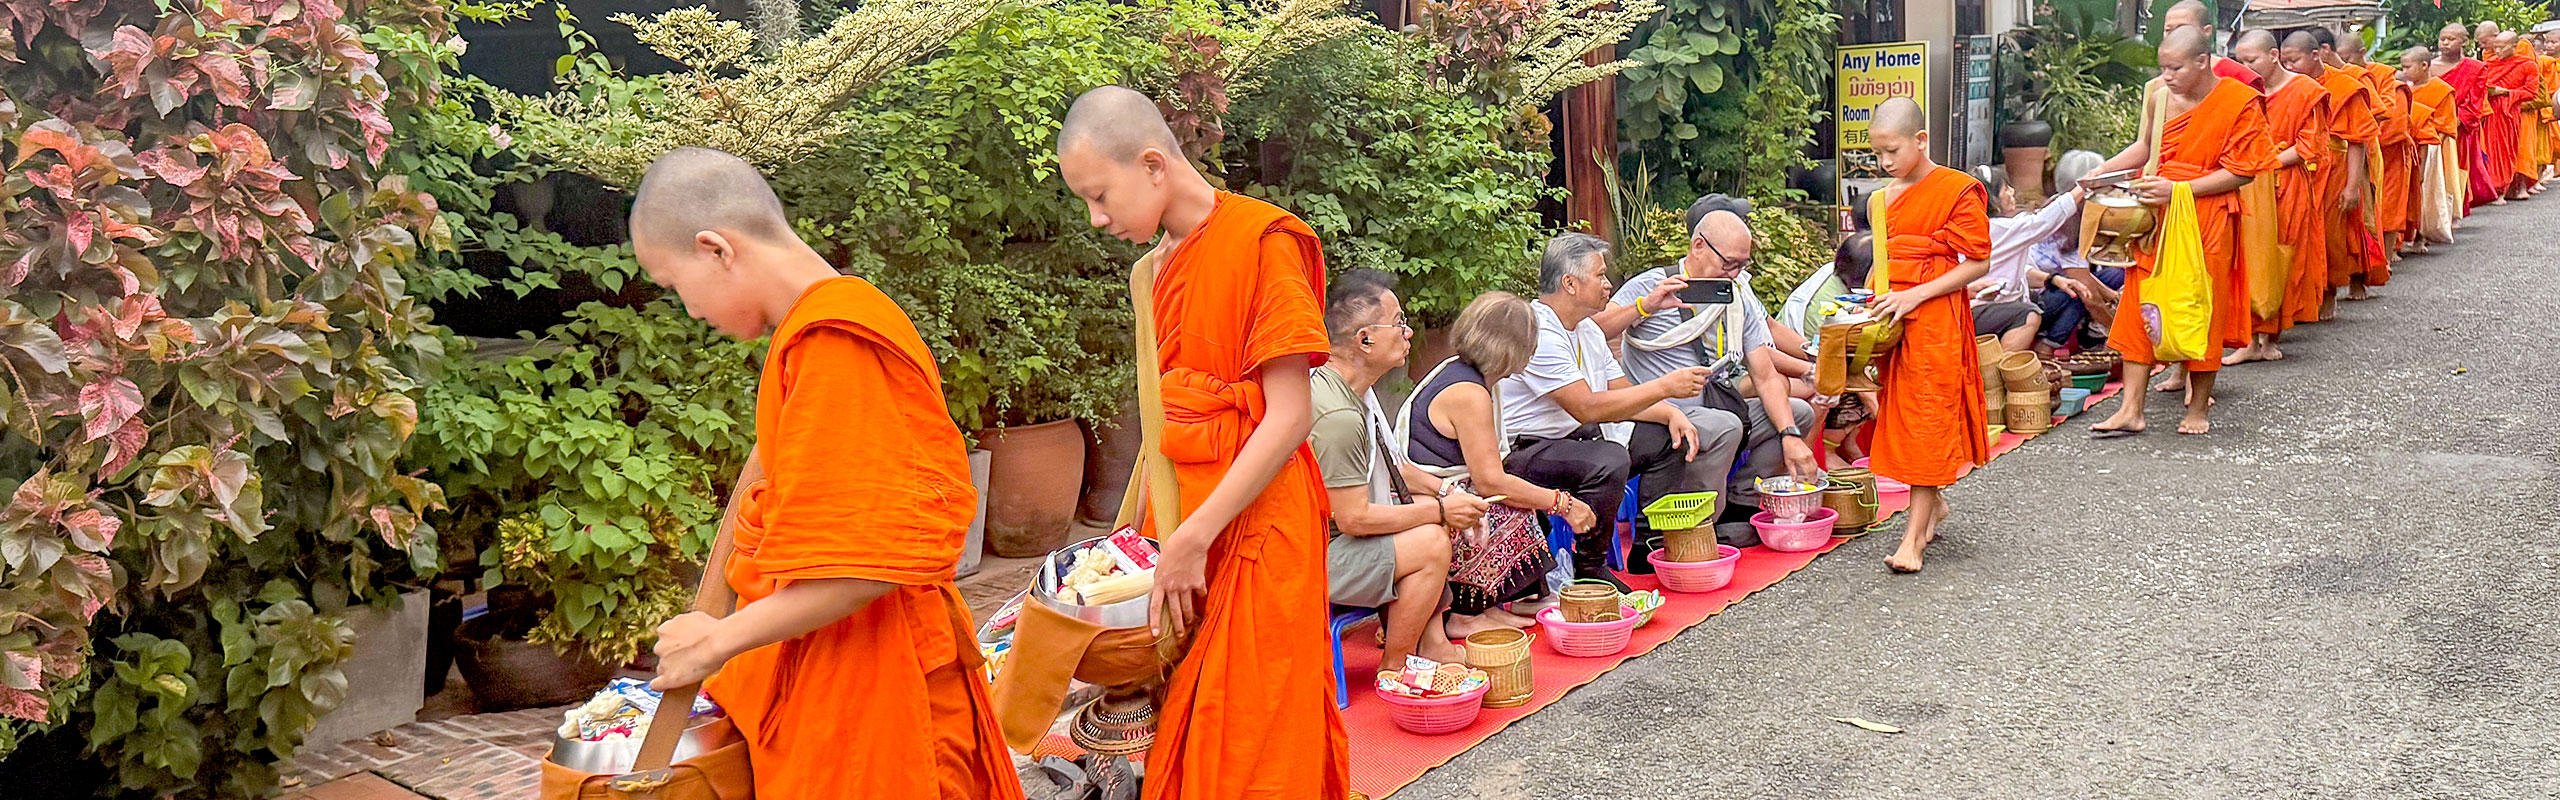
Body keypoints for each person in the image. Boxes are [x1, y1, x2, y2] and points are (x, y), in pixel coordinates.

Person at [633, 148, 1022, 799]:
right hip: (833, 672)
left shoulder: (836, 341)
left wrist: (717, 642)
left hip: (877, 677)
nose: (689, 310)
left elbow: (860, 568)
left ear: (716, 249)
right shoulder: (812, 336)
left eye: (675, 285)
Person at [1054, 85, 1348, 799]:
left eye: (1100, 195)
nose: (1097, 219)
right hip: (1182, 518)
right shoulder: (1150, 271)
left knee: (1257, 731)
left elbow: (1288, 415)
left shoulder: (1264, 240)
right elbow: (1164, 424)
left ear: (1153, 164)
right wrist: (1151, 540)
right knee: (1185, 719)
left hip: (1259, 527)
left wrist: (1193, 538)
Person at [1596, 198, 1822, 540]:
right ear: (1698, 246)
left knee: (1798, 413)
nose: (1734, 274)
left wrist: (1791, 436)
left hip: (1716, 400)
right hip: (1658, 412)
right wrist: (1646, 306)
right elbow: (1594, 331)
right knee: (1725, 425)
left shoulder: (1736, 296)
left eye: (1742, 266)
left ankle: (1741, 504)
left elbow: (1764, 373)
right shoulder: (1651, 285)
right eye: (1728, 264)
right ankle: (1698, 525)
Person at [2089, 28, 2275, 437]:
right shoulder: (2160, 98)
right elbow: (2145, 149)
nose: (2166, 76)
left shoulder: (2238, 102)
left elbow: (2243, 171)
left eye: (2175, 68)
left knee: (2201, 306)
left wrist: (2180, 190)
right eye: (2162, 67)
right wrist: (2102, 172)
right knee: (2140, 302)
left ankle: (2197, 408)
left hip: (2206, 216)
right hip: (2156, 217)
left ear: (2202, 62)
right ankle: (2131, 409)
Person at [1501, 233, 1711, 588]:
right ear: (1570, 283)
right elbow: (1586, 407)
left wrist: (1670, 413)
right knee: (1609, 458)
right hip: (1524, 449)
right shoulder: (1538, 331)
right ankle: (1591, 568)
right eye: (1599, 275)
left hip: (1572, 439)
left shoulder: (1586, 329)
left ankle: (1648, 545)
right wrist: (1665, 387)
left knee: (1666, 438)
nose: (1608, 284)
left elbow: (1621, 393)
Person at [1308, 269, 1490, 667]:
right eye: (1399, 324)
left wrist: (1444, 495)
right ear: (1365, 339)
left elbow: (1393, 465)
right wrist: (1441, 511)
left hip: (1330, 542)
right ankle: (1398, 664)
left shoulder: (1353, 389)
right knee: (1429, 542)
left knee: (1430, 515)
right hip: (1306, 558)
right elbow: (1354, 518)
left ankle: (1431, 641)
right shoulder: (1337, 413)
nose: (1408, 333)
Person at [1859, 97, 1992, 574]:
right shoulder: (1882, 198)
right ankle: (1931, 506)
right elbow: (1882, 257)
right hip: (1892, 320)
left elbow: (1979, 262)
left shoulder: (1958, 190)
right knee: (1903, 414)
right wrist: (1864, 307)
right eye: (1877, 154)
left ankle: (1912, 539)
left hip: (1935, 319)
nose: (1885, 163)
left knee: (1926, 419)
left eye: (1892, 151)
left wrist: (1916, 296)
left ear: (1921, 140)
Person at [1400, 292, 1580, 637]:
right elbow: (1490, 483)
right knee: (1501, 510)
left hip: (1444, 485)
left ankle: (1505, 603)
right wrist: (1562, 503)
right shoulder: (1469, 392)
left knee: (1523, 497)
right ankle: (1465, 615)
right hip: (1428, 494)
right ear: (1513, 348)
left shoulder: (1469, 374)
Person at [2235, 28, 2331, 360]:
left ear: (2273, 56)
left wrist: (2265, 162)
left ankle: (2270, 339)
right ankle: (2248, 341)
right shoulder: (2243, 91)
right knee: (2249, 258)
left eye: (2251, 60)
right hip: (2250, 185)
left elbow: (2309, 146)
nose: (2246, 68)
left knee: (2283, 255)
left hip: (2287, 183)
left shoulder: (2306, 90)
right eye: (2240, 61)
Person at [2289, 30, 2381, 317]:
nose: (2289, 67)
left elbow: (2357, 140)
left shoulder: (2344, 86)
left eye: (2294, 60)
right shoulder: (2289, 86)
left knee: (2333, 233)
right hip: (2300, 168)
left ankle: (2330, 291)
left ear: (2316, 55)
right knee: (2298, 233)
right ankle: (2303, 296)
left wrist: (2352, 187)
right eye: (2285, 61)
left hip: (2336, 167)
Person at [1963, 166, 2088, 354]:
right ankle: (2001, 373)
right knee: (2029, 315)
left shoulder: (1981, 227)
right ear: (1994, 200)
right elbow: (2046, 219)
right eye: (2005, 189)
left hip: (1997, 305)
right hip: (1977, 309)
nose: (2012, 192)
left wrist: (2052, 279)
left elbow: (2020, 271)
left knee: (2070, 295)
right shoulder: (2001, 228)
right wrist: (2085, 186)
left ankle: (2042, 352)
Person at [2026, 150, 2123, 356]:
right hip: (2035, 298)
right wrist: (2122, 336)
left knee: (2115, 274)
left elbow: (2079, 272)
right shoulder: (2069, 221)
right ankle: (2048, 344)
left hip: (2053, 285)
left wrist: (2113, 297)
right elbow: (2089, 296)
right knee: (2080, 294)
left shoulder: (2058, 202)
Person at [2346, 33, 2418, 266]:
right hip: (2351, 147)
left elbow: (2389, 112)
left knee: (2388, 203)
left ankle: (2385, 254)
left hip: (2385, 147)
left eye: (2347, 57)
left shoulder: (2383, 76)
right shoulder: (2335, 76)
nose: (2344, 63)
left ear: (2361, 53)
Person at [2405, 48, 2461, 250]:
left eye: (2407, 67)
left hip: (2434, 147)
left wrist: (2430, 142)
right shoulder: (2407, 91)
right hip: (2411, 146)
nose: (2405, 71)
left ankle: (2423, 235)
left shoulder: (2442, 90)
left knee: (2430, 192)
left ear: (2424, 66)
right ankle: (2410, 234)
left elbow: (2447, 124)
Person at [2488, 32, 2544, 201]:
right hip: (2490, 114)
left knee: (2508, 151)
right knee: (2491, 151)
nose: (2496, 50)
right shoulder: (2490, 64)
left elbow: (2531, 92)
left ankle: (2505, 188)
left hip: (2511, 113)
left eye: (2501, 47)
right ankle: (2493, 189)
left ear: (2514, 46)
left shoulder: (2528, 65)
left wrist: (2505, 93)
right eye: (2495, 46)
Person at [2161, 0, 2263, 89]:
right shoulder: (2162, 83)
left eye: (2182, 28)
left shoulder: (2238, 76)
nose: (2174, 35)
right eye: (2168, 30)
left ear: (2207, 31)